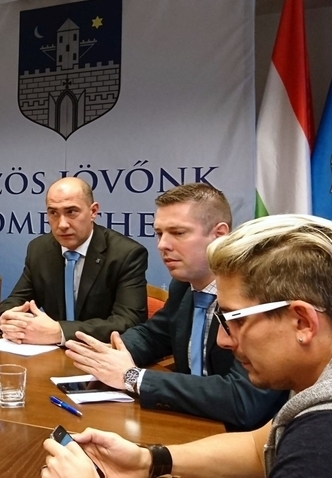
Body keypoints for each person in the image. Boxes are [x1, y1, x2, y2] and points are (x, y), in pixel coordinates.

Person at [41, 214, 332, 478]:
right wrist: (150, 460)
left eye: (235, 319)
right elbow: (258, 447)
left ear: (303, 322)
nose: (223, 339)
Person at [64, 184, 285, 430]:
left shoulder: (258, 294)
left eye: (178, 233)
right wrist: (110, 353)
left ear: (220, 235)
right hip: (188, 421)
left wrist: (133, 377)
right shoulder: (183, 286)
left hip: (246, 438)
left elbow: (243, 399)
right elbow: (153, 335)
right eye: (159, 233)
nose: (162, 245)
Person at [0, 177, 148, 345]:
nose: (62, 224)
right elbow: (17, 300)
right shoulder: (39, 249)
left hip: (98, 353)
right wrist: (5, 319)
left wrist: (60, 332)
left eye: (71, 212)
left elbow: (129, 322)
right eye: (53, 213)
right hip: (48, 354)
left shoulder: (126, 254)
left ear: (93, 211)